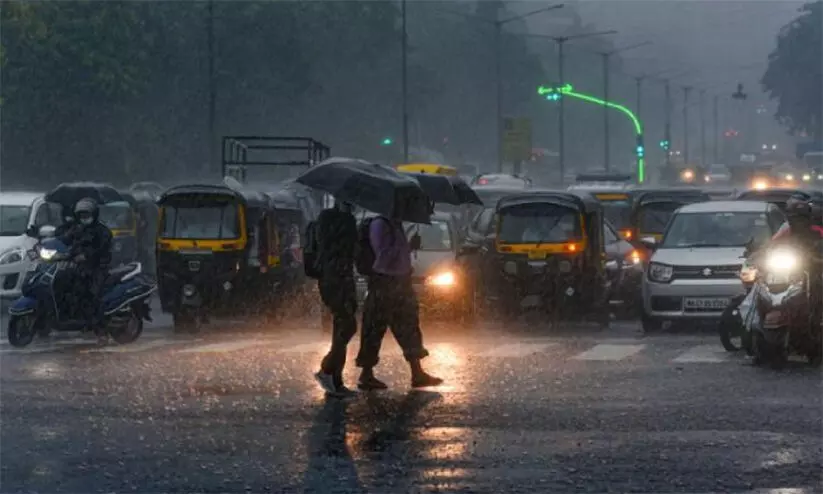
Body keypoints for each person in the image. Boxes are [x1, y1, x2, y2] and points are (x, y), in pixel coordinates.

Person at [355, 213, 443, 390]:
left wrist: (409, 247)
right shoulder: (380, 224)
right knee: (374, 329)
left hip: (401, 282)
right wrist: (403, 249)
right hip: (384, 282)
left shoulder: (396, 225)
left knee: (409, 326)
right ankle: (366, 374)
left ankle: (417, 372)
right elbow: (383, 255)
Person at [314, 201, 359, 395]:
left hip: (338, 277)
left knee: (342, 327)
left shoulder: (336, 219)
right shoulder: (337, 219)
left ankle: (335, 379)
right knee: (346, 326)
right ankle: (327, 371)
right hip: (335, 278)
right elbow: (337, 247)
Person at [60, 198, 113, 343]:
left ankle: (101, 330)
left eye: (87, 215)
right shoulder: (77, 228)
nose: (84, 218)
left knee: (92, 295)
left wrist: (87, 256)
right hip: (78, 266)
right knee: (65, 286)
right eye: (81, 215)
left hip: (98, 267)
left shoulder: (102, 231)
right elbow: (63, 239)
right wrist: (46, 242)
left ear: (94, 214)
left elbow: (102, 249)